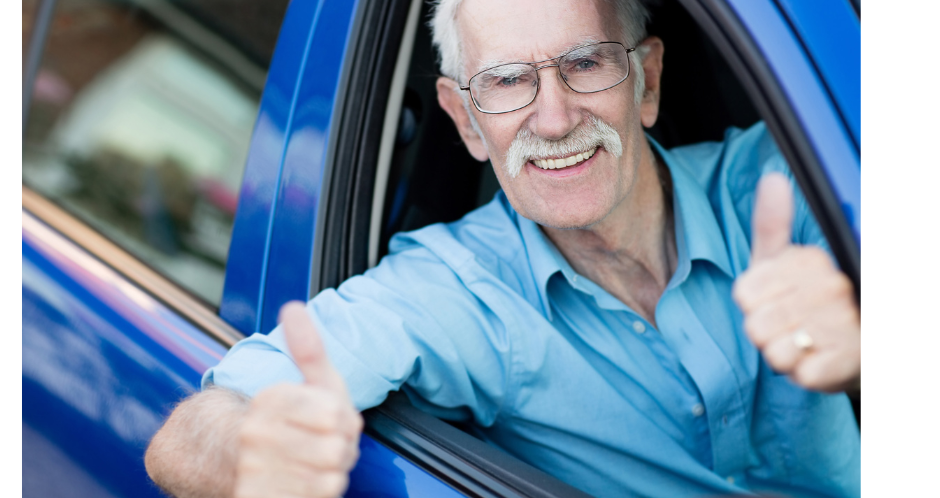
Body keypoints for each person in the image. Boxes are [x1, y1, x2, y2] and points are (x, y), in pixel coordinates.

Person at [144, 0, 861, 496]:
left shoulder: (795, 179)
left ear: (647, 82)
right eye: (508, 82)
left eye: (585, 63)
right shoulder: (456, 290)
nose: (553, 118)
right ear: (465, 122)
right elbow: (192, 434)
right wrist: (256, 452)